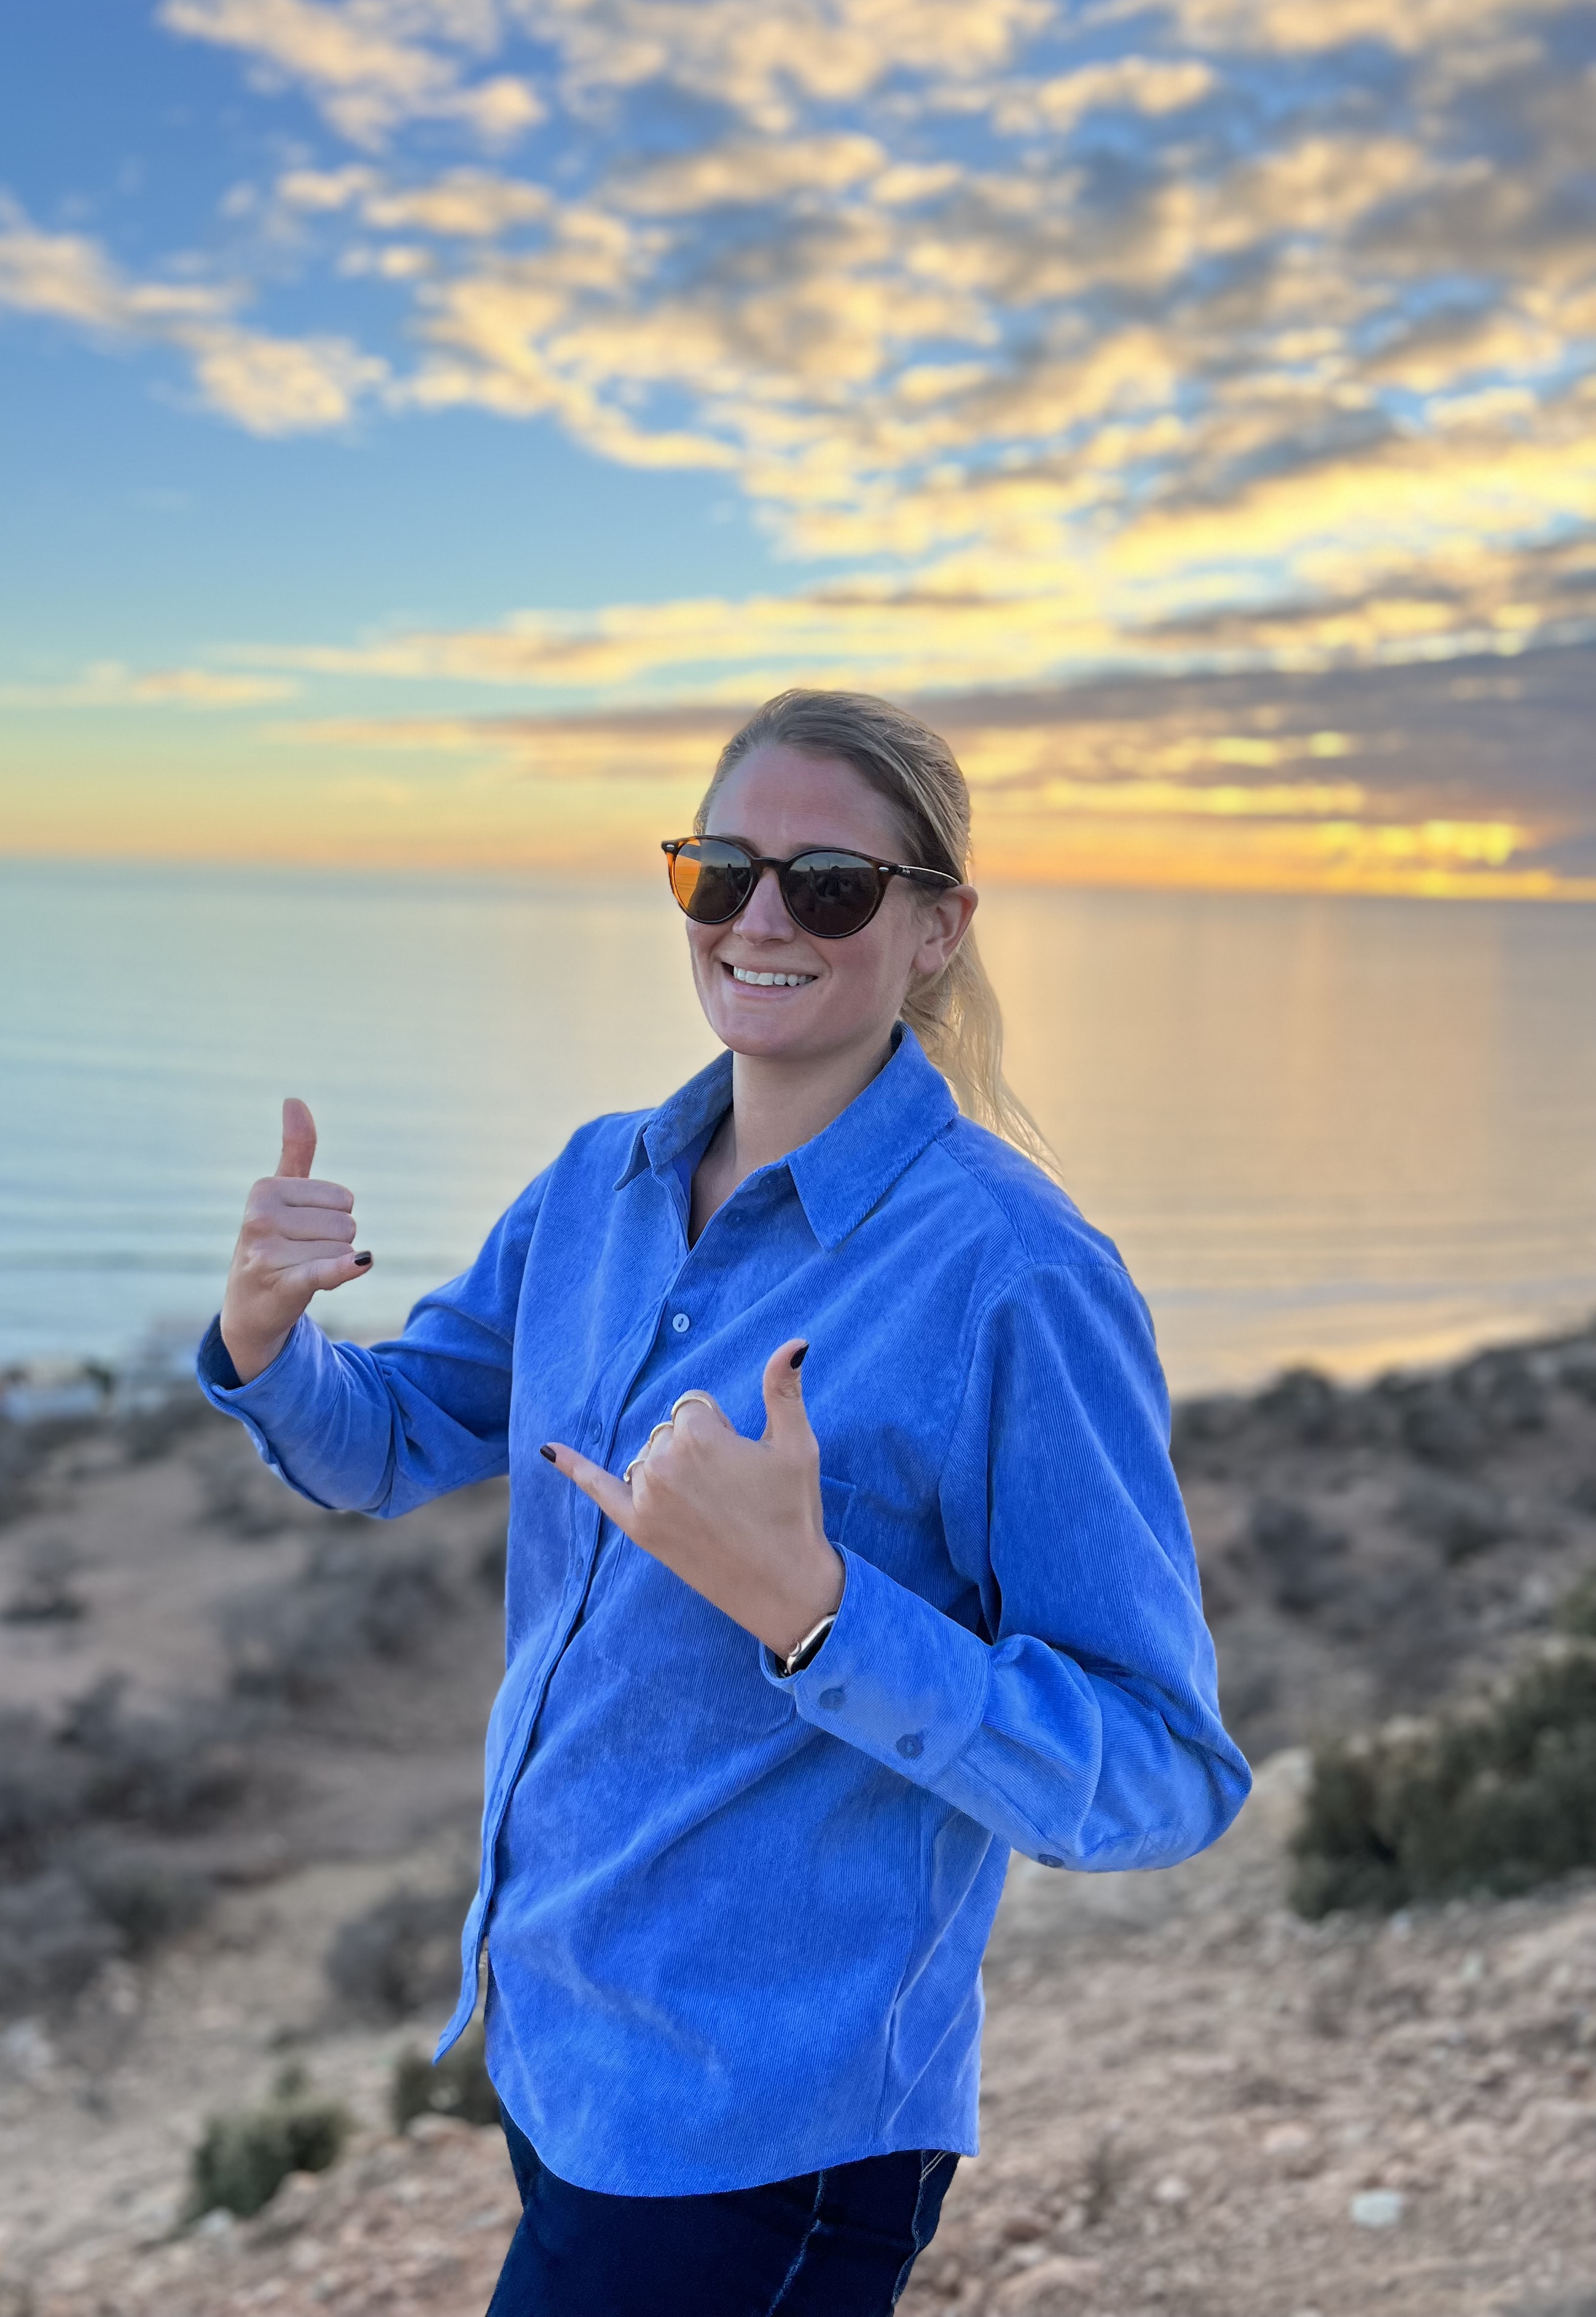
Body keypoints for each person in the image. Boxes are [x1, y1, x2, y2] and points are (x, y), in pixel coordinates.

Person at [197, 688, 1251, 2316]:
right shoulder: (596, 1184)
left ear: (937, 928)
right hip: (563, 2049)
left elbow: (1163, 1771)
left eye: (828, 886)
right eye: (722, 871)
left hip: (769, 2130)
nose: (761, 919)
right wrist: (271, 1337)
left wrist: (817, 1613)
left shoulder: (1014, 1277)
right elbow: (399, 1437)